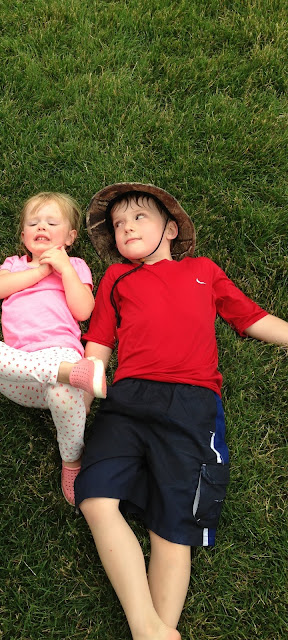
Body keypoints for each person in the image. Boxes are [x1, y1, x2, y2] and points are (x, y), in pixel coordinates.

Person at [75, 182, 288, 640]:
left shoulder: (203, 270)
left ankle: (155, 631)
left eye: (139, 217)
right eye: (118, 224)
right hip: (126, 402)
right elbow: (100, 342)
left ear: (170, 229)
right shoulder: (116, 278)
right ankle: (147, 626)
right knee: (94, 498)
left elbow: (250, 317)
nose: (126, 227)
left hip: (191, 405)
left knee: (172, 527)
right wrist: (83, 398)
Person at [0, 192, 106, 506]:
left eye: (51, 223)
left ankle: (71, 460)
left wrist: (64, 270)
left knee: (63, 395)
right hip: (21, 371)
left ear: (70, 237)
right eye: (33, 223)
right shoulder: (14, 264)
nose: (41, 227)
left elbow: (84, 310)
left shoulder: (75, 266)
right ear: (23, 236)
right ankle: (67, 374)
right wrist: (40, 272)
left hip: (62, 356)